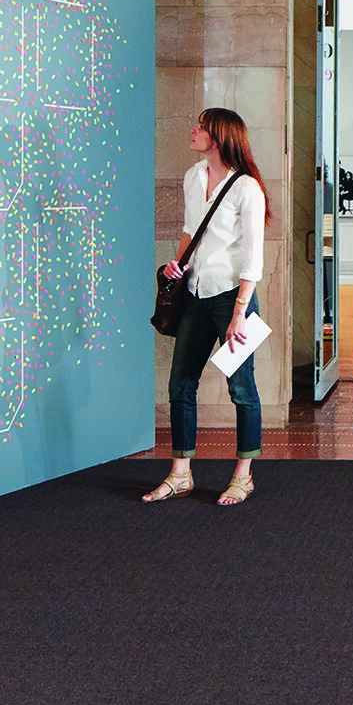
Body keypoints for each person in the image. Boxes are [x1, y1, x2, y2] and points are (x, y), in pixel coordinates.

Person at [144, 107, 270, 507]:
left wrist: (239, 312)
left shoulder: (247, 188)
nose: (193, 129)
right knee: (180, 385)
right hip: (196, 294)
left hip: (234, 298)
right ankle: (180, 474)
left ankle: (243, 475)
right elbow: (188, 228)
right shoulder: (193, 176)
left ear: (219, 135)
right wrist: (177, 265)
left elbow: (254, 257)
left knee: (241, 388)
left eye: (200, 126)